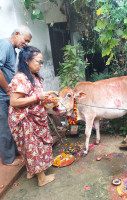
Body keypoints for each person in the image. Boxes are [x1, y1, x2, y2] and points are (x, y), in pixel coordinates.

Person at [8, 46, 55, 186]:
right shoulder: (20, 78)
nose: (40, 65)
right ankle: (41, 178)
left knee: (32, 147)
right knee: (33, 147)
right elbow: (14, 101)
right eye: (38, 62)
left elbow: (35, 96)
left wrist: (45, 99)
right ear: (27, 60)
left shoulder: (33, 76)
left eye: (42, 62)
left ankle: (32, 171)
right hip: (25, 119)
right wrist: (37, 97)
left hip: (36, 116)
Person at [0, 25, 32, 165]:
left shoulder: (12, 50)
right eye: (25, 40)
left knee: (12, 125)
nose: (26, 44)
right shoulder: (5, 45)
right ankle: (8, 160)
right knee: (5, 128)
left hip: (8, 96)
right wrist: (7, 89)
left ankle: (14, 154)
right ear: (17, 33)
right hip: (2, 96)